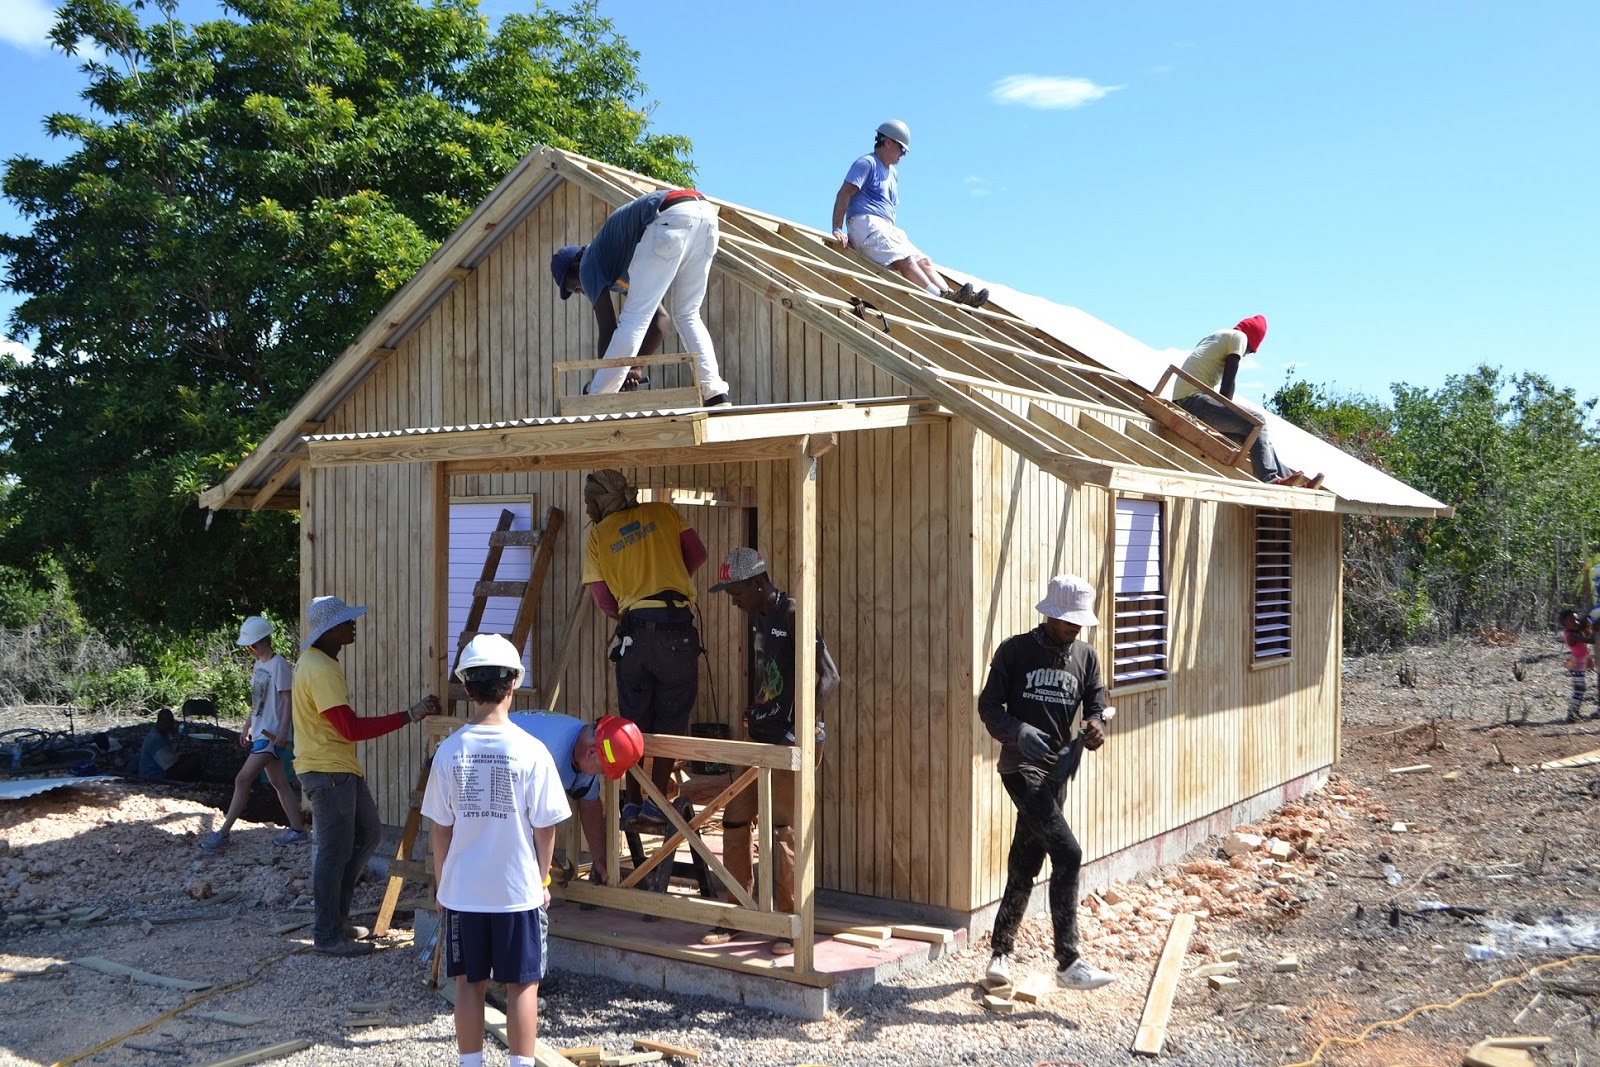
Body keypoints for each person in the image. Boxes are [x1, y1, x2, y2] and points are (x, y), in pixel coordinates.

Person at [423, 634, 571, 1067]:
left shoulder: (449, 752)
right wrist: (542, 880)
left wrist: (441, 884)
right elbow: (546, 829)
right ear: (512, 687)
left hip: (463, 892)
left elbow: (440, 830)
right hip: (516, 892)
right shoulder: (533, 752)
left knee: (469, 984)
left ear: (467, 689)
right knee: (523, 985)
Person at [978, 574, 1115, 992]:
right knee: (1068, 853)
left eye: (1080, 622)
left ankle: (1000, 954)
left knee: (1026, 861)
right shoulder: (1016, 651)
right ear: (1050, 614)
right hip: (1020, 769)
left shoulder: (1086, 657)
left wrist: (1094, 726)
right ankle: (1068, 961)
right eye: (1068, 620)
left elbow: (1097, 703)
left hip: (1057, 773)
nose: (1075, 627)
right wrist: (1016, 731)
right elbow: (987, 705)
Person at [700, 548, 839, 955]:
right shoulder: (758, 617)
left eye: (736, 591)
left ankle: (789, 925)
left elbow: (830, 677)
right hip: (759, 737)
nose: (732, 600)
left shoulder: (794, 614)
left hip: (787, 742)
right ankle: (738, 912)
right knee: (735, 819)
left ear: (758, 583)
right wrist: (757, 706)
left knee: (783, 830)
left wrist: (802, 729)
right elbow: (774, 676)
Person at [292, 594, 440, 957]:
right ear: (328, 631)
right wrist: (409, 714)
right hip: (327, 771)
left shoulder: (318, 662)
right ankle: (327, 934)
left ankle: (336, 922)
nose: (353, 625)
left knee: (368, 834)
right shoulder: (321, 670)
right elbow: (350, 729)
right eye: (346, 622)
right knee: (333, 852)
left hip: (336, 768)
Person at [579, 469, 708, 828]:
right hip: (676, 631)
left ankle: (633, 803)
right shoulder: (663, 513)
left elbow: (603, 598)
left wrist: (630, 608)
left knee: (632, 724)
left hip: (634, 632)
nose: (588, 509)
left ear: (603, 500)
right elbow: (697, 554)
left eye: (590, 501)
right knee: (671, 719)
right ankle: (656, 803)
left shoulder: (598, 536)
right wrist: (671, 582)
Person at [550, 188, 731, 405]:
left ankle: (599, 399)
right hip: (706, 215)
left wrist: (609, 378)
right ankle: (715, 394)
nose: (583, 291)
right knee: (687, 314)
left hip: (670, 215)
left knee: (633, 319)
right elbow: (660, 321)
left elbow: (609, 330)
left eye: (576, 287)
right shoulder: (617, 264)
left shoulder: (588, 264)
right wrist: (634, 367)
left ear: (575, 266)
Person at [830, 119, 987, 308]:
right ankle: (938, 298)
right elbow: (844, 193)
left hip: (886, 226)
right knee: (906, 260)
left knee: (924, 261)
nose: (903, 154)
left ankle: (951, 295)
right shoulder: (867, 163)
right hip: (866, 222)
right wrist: (837, 228)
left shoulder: (893, 173)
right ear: (888, 142)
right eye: (901, 148)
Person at [1172, 315, 1321, 487]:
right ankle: (1270, 479)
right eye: (1250, 350)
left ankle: (1295, 483)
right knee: (1256, 422)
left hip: (1187, 399)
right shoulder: (1239, 337)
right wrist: (1227, 407)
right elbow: (1229, 378)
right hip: (1192, 401)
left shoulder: (1218, 334)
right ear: (1251, 339)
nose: (1247, 353)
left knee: (1254, 434)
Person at [201, 616, 309, 851]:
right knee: (279, 782)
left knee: (242, 778)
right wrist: (247, 724)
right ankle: (298, 830)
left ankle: (223, 833)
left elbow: (287, 699)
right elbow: (258, 701)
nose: (249, 650)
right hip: (262, 733)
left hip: (272, 736)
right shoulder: (259, 665)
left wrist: (283, 730)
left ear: (263, 641)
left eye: (252, 646)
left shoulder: (279, 664)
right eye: (248, 647)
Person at [508, 711, 644, 886]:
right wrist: (542, 878)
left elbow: (590, 806)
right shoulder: (549, 756)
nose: (602, 775)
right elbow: (531, 822)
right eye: (603, 770)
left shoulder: (586, 747)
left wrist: (600, 860)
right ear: (591, 752)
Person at [137, 707, 204, 782]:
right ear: (159, 722)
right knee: (194, 761)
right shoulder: (156, 739)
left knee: (192, 758)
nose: (169, 725)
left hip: (159, 771)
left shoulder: (162, 735)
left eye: (171, 722)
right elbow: (170, 764)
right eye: (166, 722)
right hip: (154, 775)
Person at [1559, 609, 1594, 723]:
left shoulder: (1573, 631)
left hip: (1578, 661)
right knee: (1579, 689)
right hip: (1577, 663)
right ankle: (1571, 714)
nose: (1576, 622)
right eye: (1572, 621)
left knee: (1580, 688)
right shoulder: (1571, 636)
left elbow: (1582, 625)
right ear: (1565, 624)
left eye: (1576, 619)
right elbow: (1590, 640)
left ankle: (1574, 712)